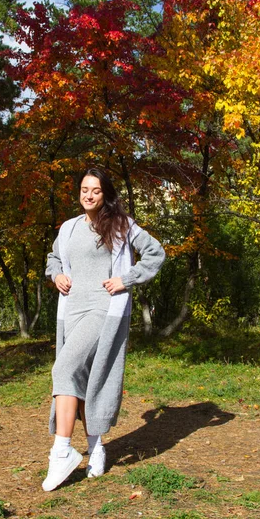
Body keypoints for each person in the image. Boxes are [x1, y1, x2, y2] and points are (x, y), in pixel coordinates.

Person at [42, 167, 165, 492]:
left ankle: (61, 452)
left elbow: (156, 253)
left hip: (104, 309)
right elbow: (53, 259)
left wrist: (126, 279)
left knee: (64, 368)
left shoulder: (122, 226)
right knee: (81, 378)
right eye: (84, 189)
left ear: (105, 194)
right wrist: (56, 275)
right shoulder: (68, 228)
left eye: (95, 190)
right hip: (72, 311)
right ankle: (95, 449)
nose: (88, 195)